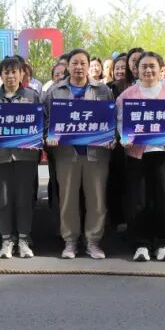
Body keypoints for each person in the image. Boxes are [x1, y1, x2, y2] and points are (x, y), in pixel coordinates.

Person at [44, 48, 113, 259]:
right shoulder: (55, 91)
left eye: (83, 63)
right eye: (75, 63)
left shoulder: (102, 90)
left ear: (89, 66)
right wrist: (49, 135)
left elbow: (111, 118)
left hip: (96, 153)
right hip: (66, 153)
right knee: (68, 200)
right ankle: (70, 241)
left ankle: (93, 242)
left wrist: (112, 137)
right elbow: (45, 120)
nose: (79, 67)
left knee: (97, 200)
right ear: (68, 66)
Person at [116, 51, 165, 262]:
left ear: (161, 69)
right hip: (137, 155)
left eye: (153, 66)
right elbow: (120, 122)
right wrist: (124, 136)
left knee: (163, 201)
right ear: (137, 70)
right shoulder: (127, 95)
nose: (148, 70)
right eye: (144, 66)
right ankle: (141, 244)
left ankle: (163, 244)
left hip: (163, 154)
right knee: (138, 201)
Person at [0, 56, 41, 259]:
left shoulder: (32, 96)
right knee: (3, 200)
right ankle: (6, 239)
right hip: (0, 156)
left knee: (24, 199)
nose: (10, 76)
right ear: (0, 75)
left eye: (14, 72)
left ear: (22, 73)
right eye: (6, 72)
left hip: (26, 155)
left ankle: (24, 239)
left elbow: (40, 124)